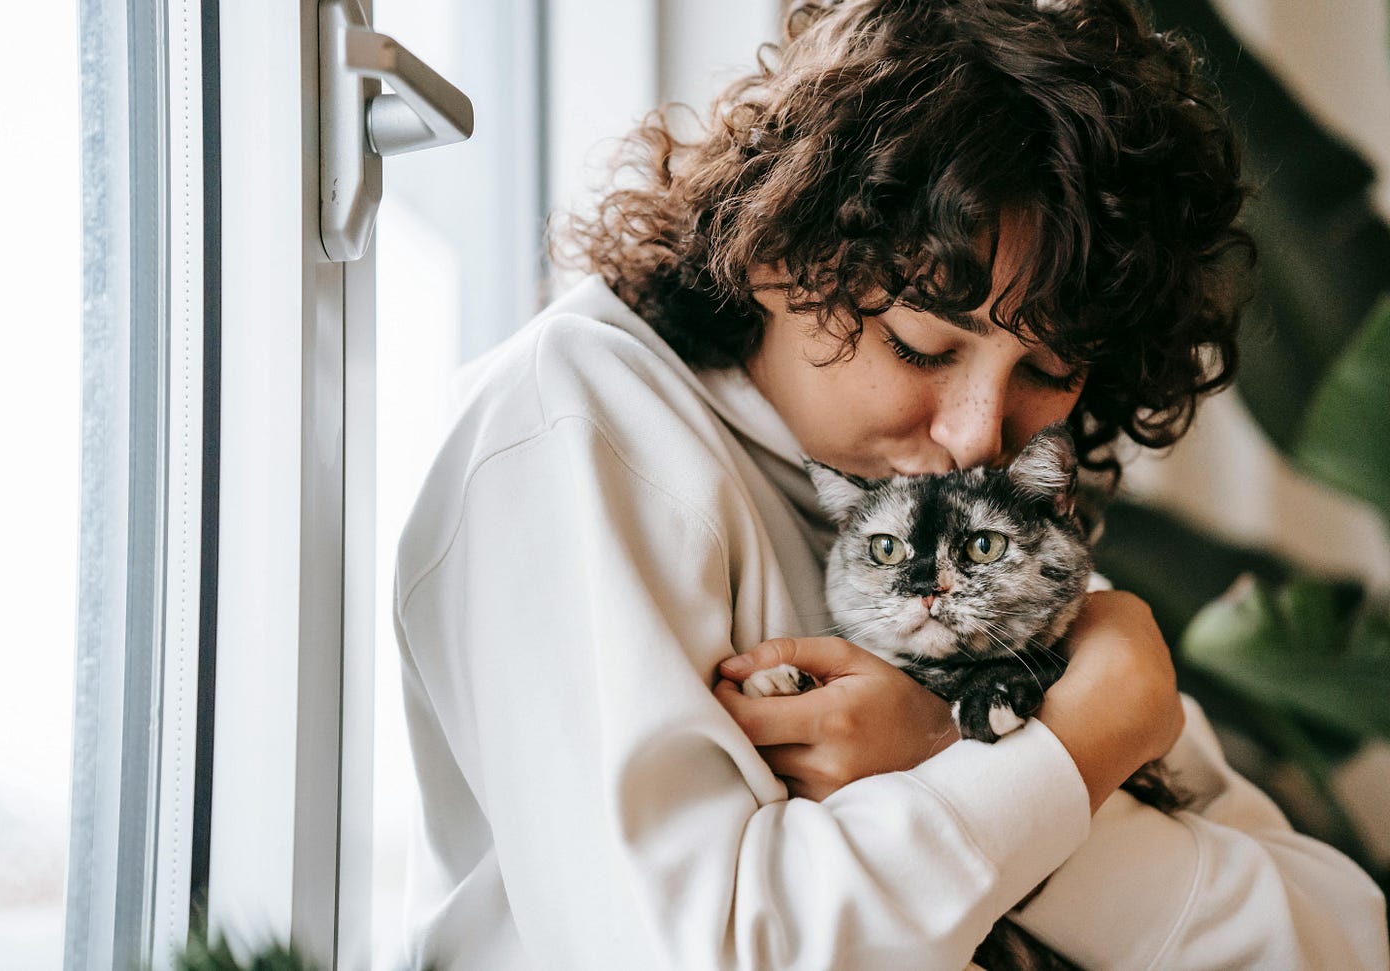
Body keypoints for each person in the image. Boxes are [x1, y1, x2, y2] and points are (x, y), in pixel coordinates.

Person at [392, 0, 1390, 967]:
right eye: (921, 346)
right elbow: (708, 950)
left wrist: (946, 755)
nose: (976, 436)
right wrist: (1069, 751)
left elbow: (1336, 943)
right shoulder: (578, 427)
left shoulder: (980, 525)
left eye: (1048, 372)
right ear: (780, 253)